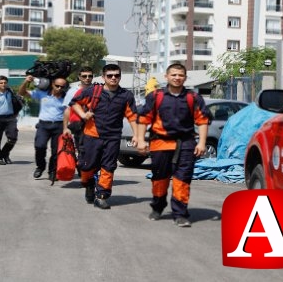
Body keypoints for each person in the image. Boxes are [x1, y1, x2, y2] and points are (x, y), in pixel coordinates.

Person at [136, 63, 211, 227]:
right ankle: (158, 207)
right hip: (160, 142)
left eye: (181, 75)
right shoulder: (156, 96)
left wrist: (202, 143)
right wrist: (141, 140)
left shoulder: (193, 97)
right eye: (174, 75)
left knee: (182, 179)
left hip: (186, 143)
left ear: (185, 77)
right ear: (167, 77)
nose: (177, 78)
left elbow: (203, 121)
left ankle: (180, 213)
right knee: (159, 179)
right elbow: (143, 119)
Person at [68, 64, 138, 209]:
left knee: (109, 166)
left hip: (113, 137)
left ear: (120, 76)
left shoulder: (126, 96)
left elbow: (132, 117)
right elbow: (74, 103)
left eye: (117, 75)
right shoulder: (93, 91)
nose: (113, 78)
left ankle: (102, 196)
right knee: (86, 167)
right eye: (110, 75)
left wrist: (137, 135)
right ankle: (88, 185)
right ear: (103, 77)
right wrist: (83, 115)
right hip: (91, 136)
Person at [19, 75, 69, 180]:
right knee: (39, 146)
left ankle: (52, 171)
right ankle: (40, 167)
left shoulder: (66, 97)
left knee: (56, 151)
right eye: (57, 86)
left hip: (58, 125)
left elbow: (67, 112)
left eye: (62, 87)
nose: (59, 88)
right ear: (52, 85)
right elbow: (22, 93)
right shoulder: (42, 94)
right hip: (43, 125)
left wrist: (65, 128)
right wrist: (26, 82)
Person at [63, 66, 94, 149]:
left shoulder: (97, 90)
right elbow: (67, 109)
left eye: (90, 76)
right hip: (79, 127)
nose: (87, 78)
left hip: (94, 127)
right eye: (84, 76)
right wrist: (65, 128)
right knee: (81, 151)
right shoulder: (72, 91)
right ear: (79, 77)